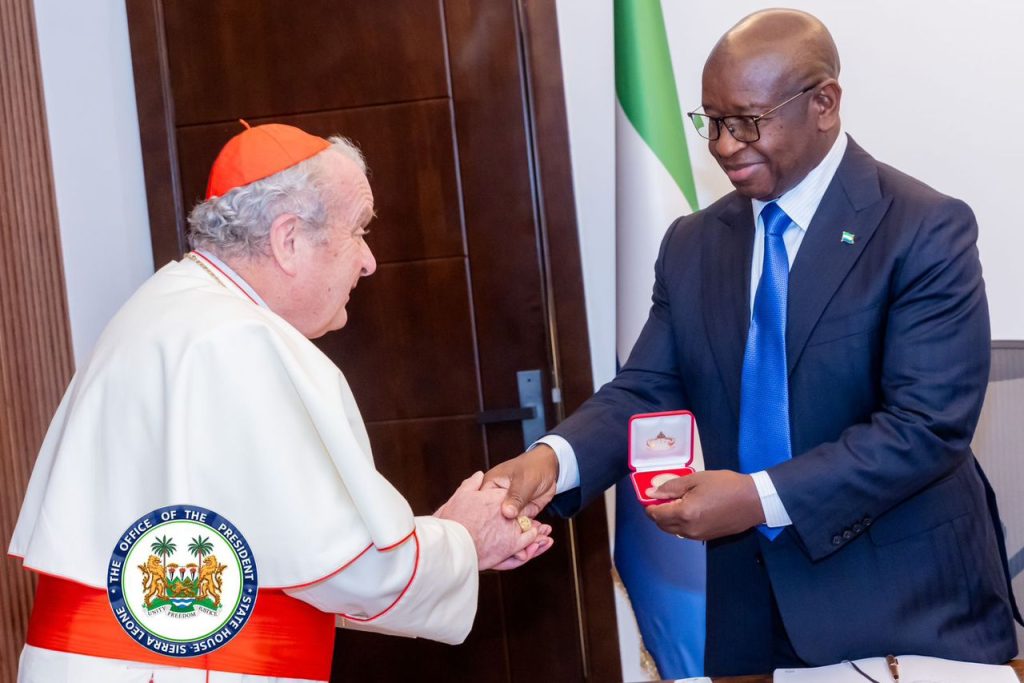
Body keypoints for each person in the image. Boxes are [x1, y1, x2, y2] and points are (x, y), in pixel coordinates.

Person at [483, 8, 1019, 676]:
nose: (724, 144)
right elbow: (646, 388)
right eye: (710, 121)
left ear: (824, 103)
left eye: (747, 121)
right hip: (758, 615)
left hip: (907, 612)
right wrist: (550, 462)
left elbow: (924, 428)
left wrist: (756, 496)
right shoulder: (693, 244)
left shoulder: (922, 229)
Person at [9, 122, 552, 682]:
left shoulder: (173, 310)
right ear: (289, 239)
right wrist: (461, 538)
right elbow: (347, 567)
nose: (368, 262)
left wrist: (429, 542)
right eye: (359, 231)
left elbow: (288, 558)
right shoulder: (237, 340)